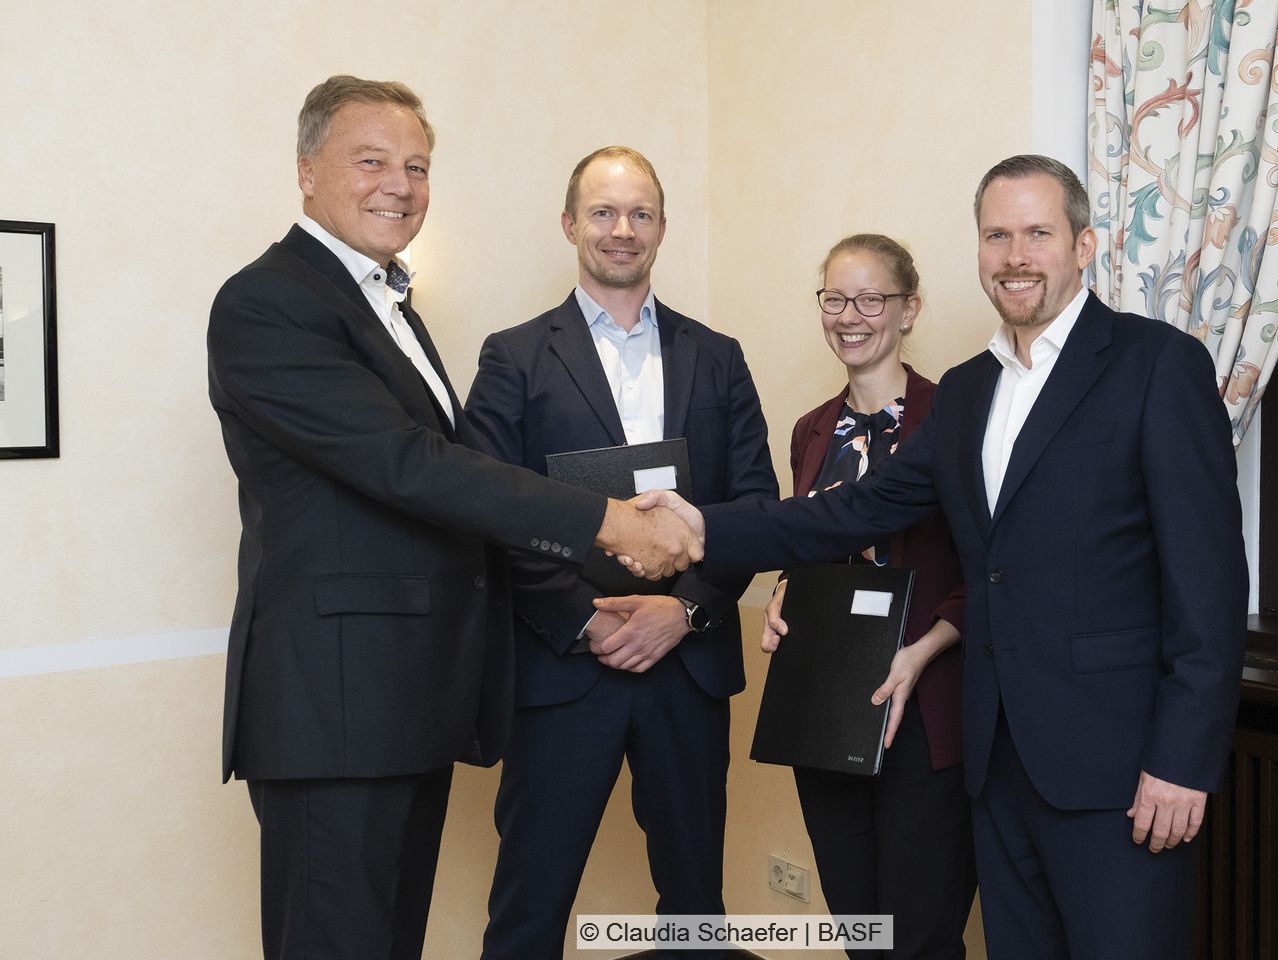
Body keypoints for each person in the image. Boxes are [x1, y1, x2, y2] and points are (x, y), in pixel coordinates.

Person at [639, 155, 1248, 960]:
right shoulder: (968, 391)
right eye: (997, 235)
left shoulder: (1156, 365)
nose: (1016, 255)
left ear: (1086, 244)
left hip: (1119, 774)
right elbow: (855, 510)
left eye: (1038, 232)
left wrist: (1182, 762)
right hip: (994, 769)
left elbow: (1208, 583)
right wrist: (704, 530)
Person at [207, 79, 698, 960]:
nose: (399, 184)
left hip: (402, 699)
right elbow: (414, 468)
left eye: (418, 166)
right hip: (335, 709)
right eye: (372, 161)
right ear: (306, 171)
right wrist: (609, 525)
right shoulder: (267, 303)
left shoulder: (386, 301)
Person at [464, 146, 778, 959]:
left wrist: (685, 610)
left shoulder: (719, 356)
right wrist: (586, 623)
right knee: (530, 905)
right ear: (570, 224)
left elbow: (754, 508)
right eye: (603, 212)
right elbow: (488, 509)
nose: (622, 229)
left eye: (640, 213)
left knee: (695, 910)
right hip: (562, 669)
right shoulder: (514, 357)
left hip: (687, 666)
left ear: (663, 228)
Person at [762, 234, 975, 959]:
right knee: (863, 933)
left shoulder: (958, 421)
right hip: (826, 712)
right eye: (834, 298)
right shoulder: (811, 432)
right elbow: (814, 544)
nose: (850, 315)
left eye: (870, 298)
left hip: (926, 708)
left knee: (919, 939)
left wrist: (924, 650)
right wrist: (784, 593)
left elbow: (997, 573)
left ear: (908, 309)